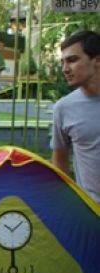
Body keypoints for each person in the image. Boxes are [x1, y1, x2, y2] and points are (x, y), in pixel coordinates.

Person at [50, 30, 100, 204]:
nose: (65, 69)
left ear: (97, 60)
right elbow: (59, 163)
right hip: (92, 215)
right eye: (62, 62)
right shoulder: (63, 108)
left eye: (72, 60)